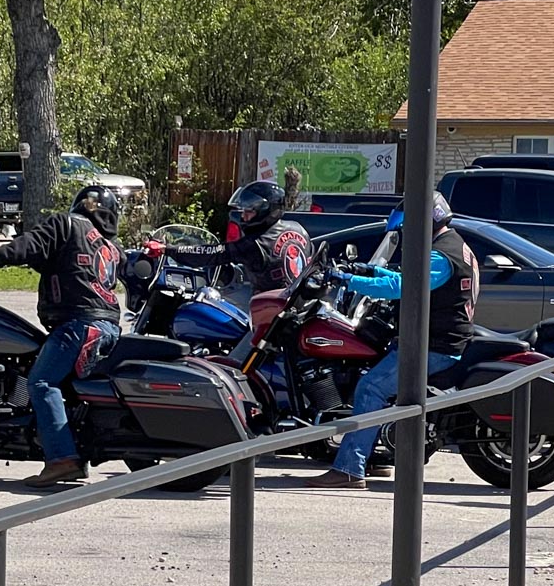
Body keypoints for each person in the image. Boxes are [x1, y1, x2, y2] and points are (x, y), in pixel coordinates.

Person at [308, 192, 479, 489]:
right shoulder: (451, 245)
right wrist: (367, 269)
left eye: (409, 227)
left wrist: (347, 280)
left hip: (435, 346)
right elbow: (410, 274)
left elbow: (401, 285)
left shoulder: (441, 256)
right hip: (439, 340)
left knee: (370, 388)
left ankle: (349, 469)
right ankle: (372, 456)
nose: (406, 233)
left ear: (425, 222)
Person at [0, 183, 128, 489]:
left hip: (78, 324)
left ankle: (62, 460)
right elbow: (53, 259)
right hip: (107, 325)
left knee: (42, 382)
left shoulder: (66, 224)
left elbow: (32, 243)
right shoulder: (109, 245)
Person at [161, 180, 311, 304]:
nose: (243, 216)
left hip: (271, 315)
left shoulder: (256, 244)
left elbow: (212, 254)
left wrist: (167, 249)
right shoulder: (299, 229)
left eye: (249, 211)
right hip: (300, 307)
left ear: (266, 210)